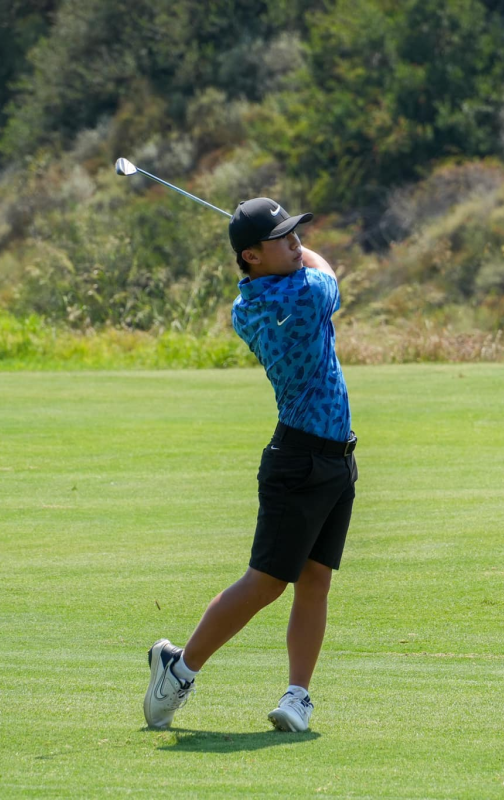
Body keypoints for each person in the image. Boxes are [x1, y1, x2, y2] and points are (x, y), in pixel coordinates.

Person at [144, 197, 357, 733]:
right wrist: (302, 253)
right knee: (265, 584)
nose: (295, 242)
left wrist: (277, 244)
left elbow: (292, 265)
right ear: (251, 256)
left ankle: (297, 697)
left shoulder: (246, 307)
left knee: (315, 580)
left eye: (295, 233)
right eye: (282, 237)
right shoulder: (306, 297)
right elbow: (327, 272)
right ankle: (178, 669)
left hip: (335, 457)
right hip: (299, 460)